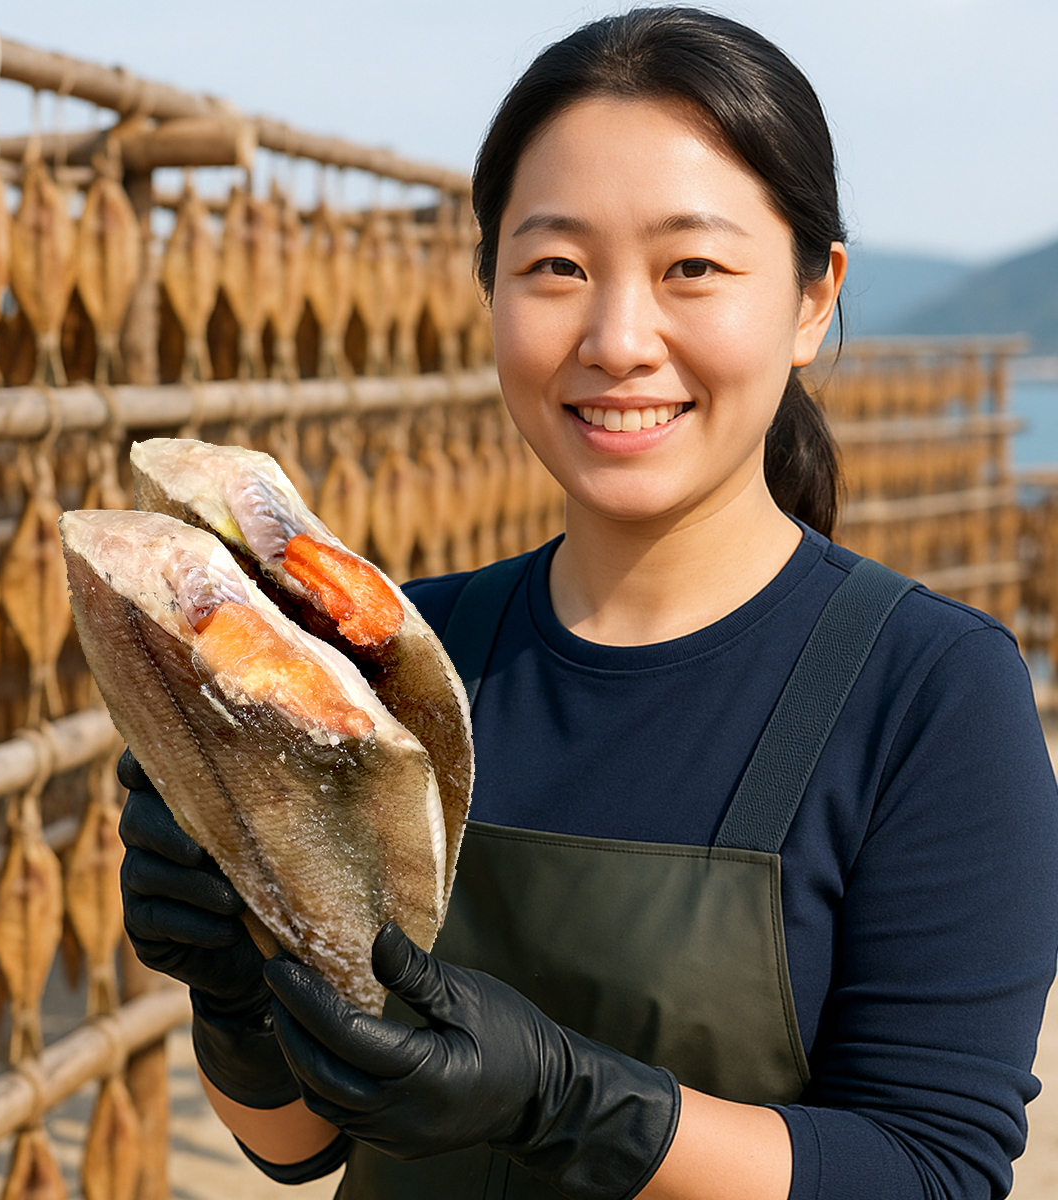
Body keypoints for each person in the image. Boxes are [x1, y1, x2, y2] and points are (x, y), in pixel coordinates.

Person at [117, 7, 1058, 1198]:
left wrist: (566, 1098)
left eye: (692, 269)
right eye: (556, 266)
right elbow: (296, 1145)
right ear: (491, 288)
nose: (618, 339)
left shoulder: (929, 692)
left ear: (814, 299)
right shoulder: (398, 659)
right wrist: (235, 984)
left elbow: (932, 1169)